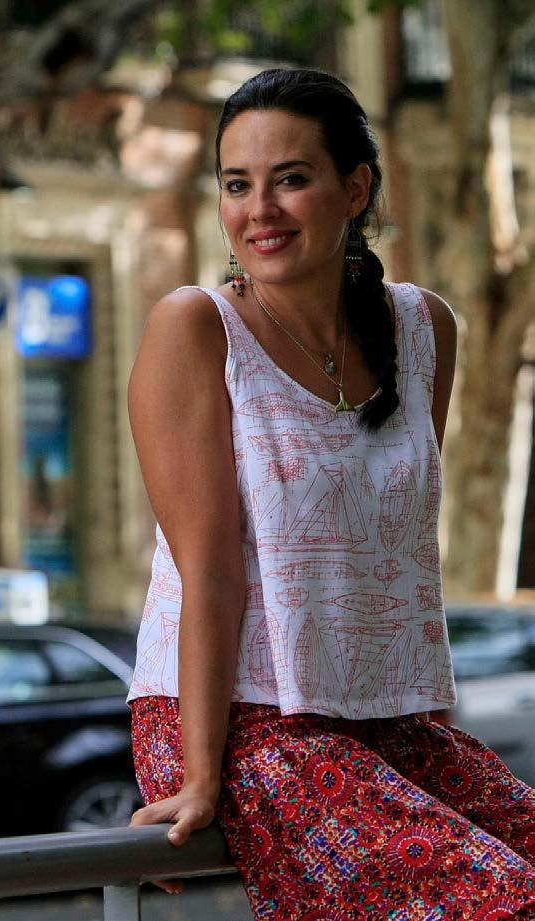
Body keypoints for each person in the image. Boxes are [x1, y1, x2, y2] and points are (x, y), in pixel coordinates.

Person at [126, 68, 535, 920]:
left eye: (290, 178)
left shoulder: (424, 329)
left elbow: (402, 546)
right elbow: (209, 573)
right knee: (501, 900)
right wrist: (201, 777)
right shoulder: (195, 328)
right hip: (240, 720)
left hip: (384, 717)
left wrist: (418, 724)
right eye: (237, 184)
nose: (259, 210)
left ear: (355, 190)